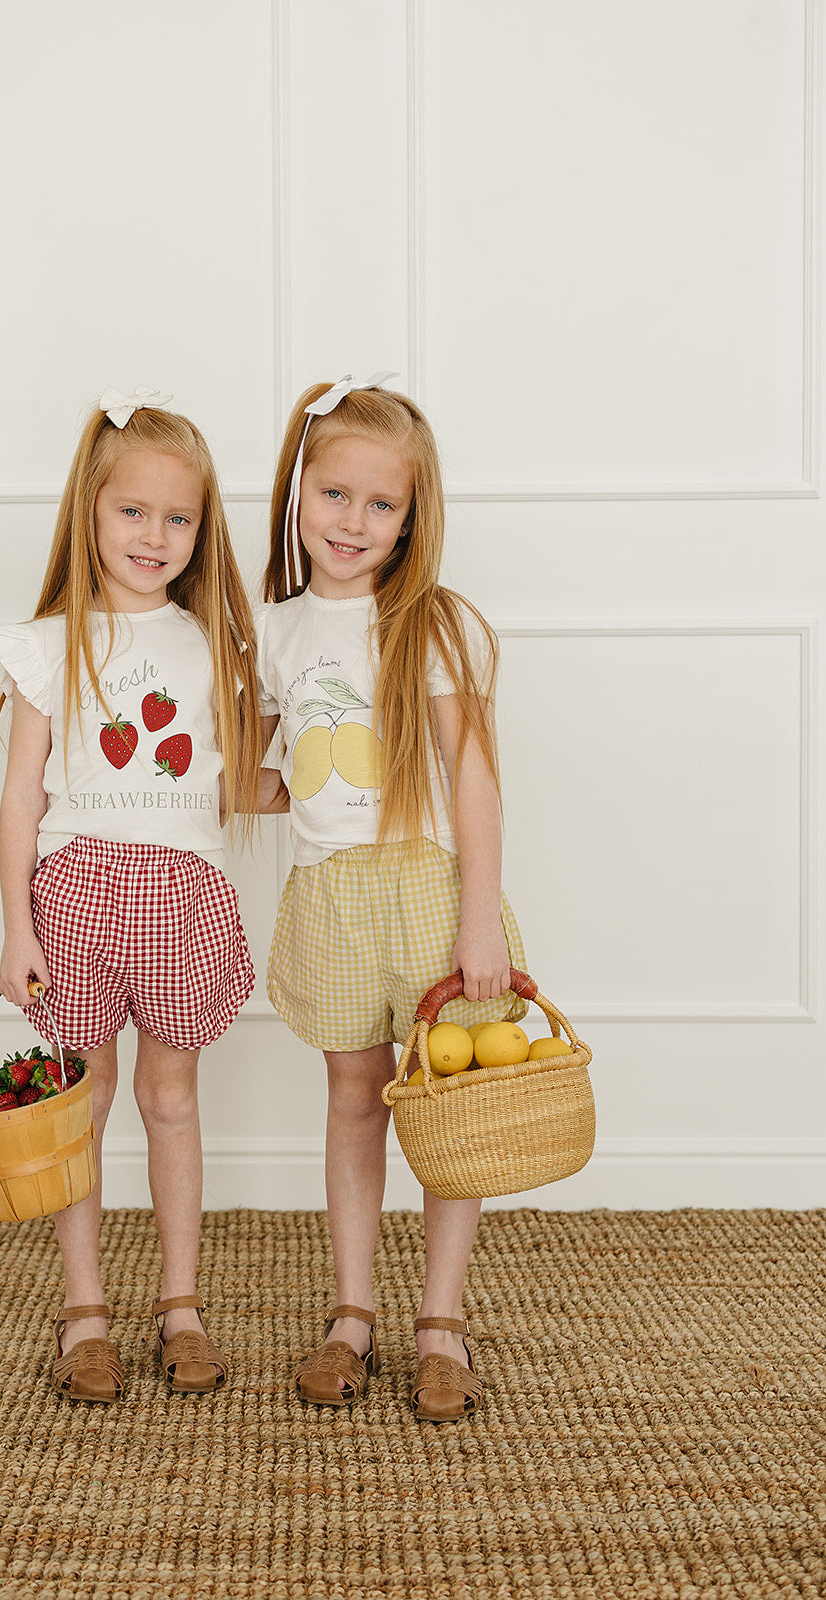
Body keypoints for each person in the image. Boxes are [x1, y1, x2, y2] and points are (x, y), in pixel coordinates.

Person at [254, 375, 527, 1422]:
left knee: (449, 1109)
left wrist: (477, 912)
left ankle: (441, 1322)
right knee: (354, 1096)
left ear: (413, 516)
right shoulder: (275, 630)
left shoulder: (433, 623)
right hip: (330, 896)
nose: (352, 522)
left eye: (381, 504)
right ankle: (351, 1312)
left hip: (425, 886)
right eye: (333, 495)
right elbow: (286, 776)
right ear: (298, 491)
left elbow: (471, 776)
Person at [0, 387, 262, 1403]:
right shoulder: (47, 642)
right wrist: (16, 922)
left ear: (202, 527)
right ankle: (85, 1307)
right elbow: (20, 794)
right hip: (75, 893)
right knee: (86, 1103)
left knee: (170, 1098)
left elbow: (242, 776)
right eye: (132, 512)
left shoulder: (213, 641)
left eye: (177, 518)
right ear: (90, 511)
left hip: (182, 893)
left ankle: (179, 1304)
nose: (154, 535)